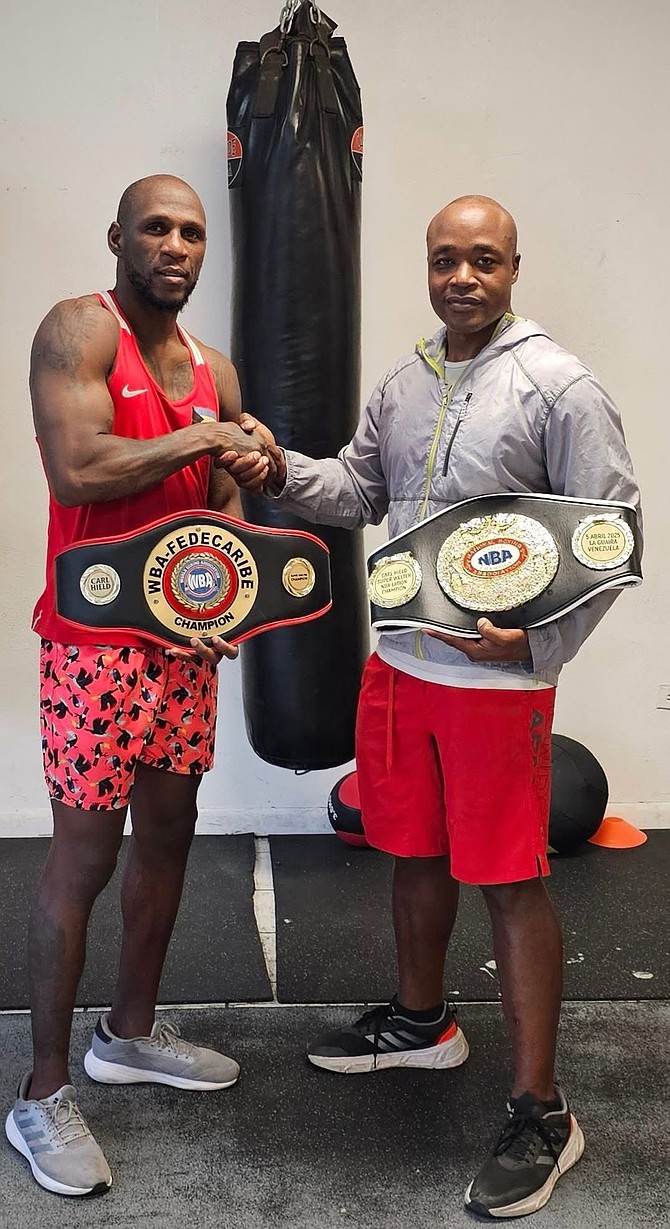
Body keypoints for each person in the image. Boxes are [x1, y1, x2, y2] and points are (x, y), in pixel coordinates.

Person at [224, 195, 642, 1219]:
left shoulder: (558, 386)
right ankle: (421, 1022)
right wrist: (277, 463)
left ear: (512, 266)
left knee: (508, 883)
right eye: (445, 258)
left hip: (496, 688)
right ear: (426, 264)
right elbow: (355, 488)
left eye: (483, 259)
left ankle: (542, 1109)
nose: (462, 275)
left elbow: (612, 535)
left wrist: (536, 641)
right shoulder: (407, 380)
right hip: (399, 666)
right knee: (408, 848)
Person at [6, 175, 269, 1197]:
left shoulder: (217, 368)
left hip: (181, 643)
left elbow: (231, 485)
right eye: (155, 226)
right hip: (92, 644)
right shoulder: (81, 329)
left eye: (192, 231)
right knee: (83, 858)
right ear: (118, 236)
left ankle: (128, 1031)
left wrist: (239, 566)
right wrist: (206, 435)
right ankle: (40, 1090)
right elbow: (79, 467)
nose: (175, 243)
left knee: (169, 836)